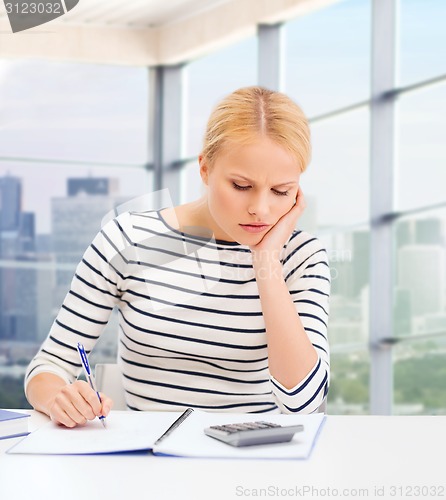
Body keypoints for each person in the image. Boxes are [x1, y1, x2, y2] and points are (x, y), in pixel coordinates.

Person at [25, 86, 330, 428]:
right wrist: (58, 398)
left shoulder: (303, 256)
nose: (260, 209)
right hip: (147, 461)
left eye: (281, 191)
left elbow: (303, 401)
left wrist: (266, 262)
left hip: (253, 458)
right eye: (241, 186)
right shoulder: (129, 238)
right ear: (204, 169)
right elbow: (49, 365)